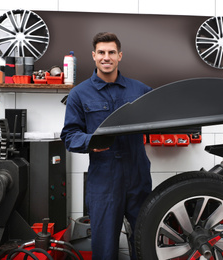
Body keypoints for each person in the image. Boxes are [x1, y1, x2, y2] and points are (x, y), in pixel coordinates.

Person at [61, 32, 152, 259]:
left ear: (119, 56)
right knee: (104, 247)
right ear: (94, 56)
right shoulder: (79, 94)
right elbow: (70, 135)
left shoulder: (139, 90)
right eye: (101, 52)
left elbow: (161, 118)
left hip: (137, 174)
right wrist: (91, 142)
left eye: (111, 52)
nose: (106, 57)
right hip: (103, 179)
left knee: (145, 239)